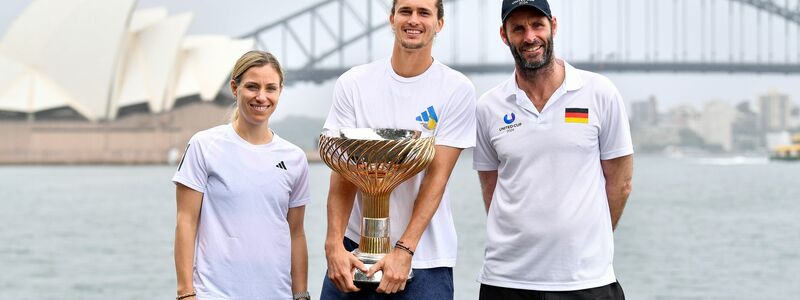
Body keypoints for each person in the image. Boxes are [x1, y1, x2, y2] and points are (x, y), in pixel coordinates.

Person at [473, 1, 634, 299]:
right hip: (507, 281)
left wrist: (583, 241)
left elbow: (621, 184)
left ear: (553, 26)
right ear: (504, 35)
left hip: (586, 280)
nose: (530, 36)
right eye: (518, 29)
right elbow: (491, 189)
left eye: (537, 25)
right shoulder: (488, 107)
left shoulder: (600, 93)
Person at [319, 0, 476, 298]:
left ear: (439, 24)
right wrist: (334, 245)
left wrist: (404, 250)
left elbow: (436, 178)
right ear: (392, 19)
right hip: (353, 251)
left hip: (424, 258)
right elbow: (342, 174)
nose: (413, 20)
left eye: (424, 13)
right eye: (405, 11)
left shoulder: (456, 88)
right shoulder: (353, 83)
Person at [172, 50, 311, 300]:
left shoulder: (295, 158)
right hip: (214, 293)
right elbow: (186, 221)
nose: (261, 97)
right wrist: (185, 293)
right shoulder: (204, 145)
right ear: (234, 88)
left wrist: (300, 295)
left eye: (270, 88)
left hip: (276, 294)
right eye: (252, 87)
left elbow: (296, 232)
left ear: (280, 90)